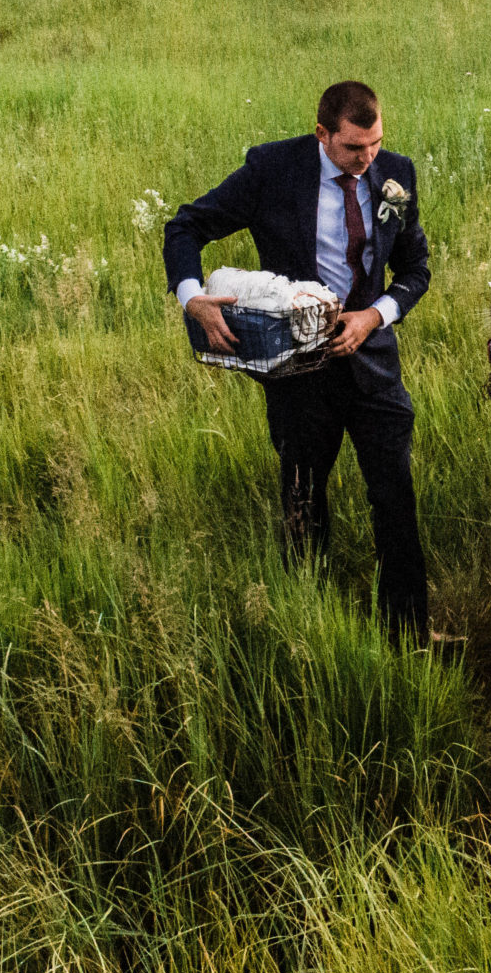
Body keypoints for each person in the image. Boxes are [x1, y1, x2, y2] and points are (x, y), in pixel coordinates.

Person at [165, 81, 432, 640]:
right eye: (354, 148)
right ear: (322, 134)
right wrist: (193, 297)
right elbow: (186, 225)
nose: (368, 160)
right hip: (297, 366)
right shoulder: (272, 169)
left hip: (373, 362)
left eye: (376, 144)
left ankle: (407, 633)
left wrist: (373, 316)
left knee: (395, 494)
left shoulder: (396, 174)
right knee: (304, 497)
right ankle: (311, 631)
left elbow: (414, 271)